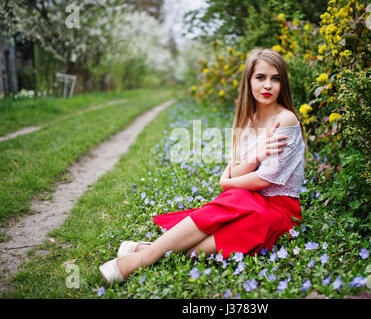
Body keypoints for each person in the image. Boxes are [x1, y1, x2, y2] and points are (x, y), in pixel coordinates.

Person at [99, 48, 308, 284]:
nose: (268, 85)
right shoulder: (247, 120)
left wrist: (227, 182)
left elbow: (263, 180)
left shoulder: (286, 120)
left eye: (275, 78)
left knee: (198, 249)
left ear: (283, 83)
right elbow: (236, 168)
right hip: (246, 199)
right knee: (236, 199)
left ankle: (145, 252)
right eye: (260, 77)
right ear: (249, 81)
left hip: (277, 211)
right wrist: (255, 156)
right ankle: (142, 258)